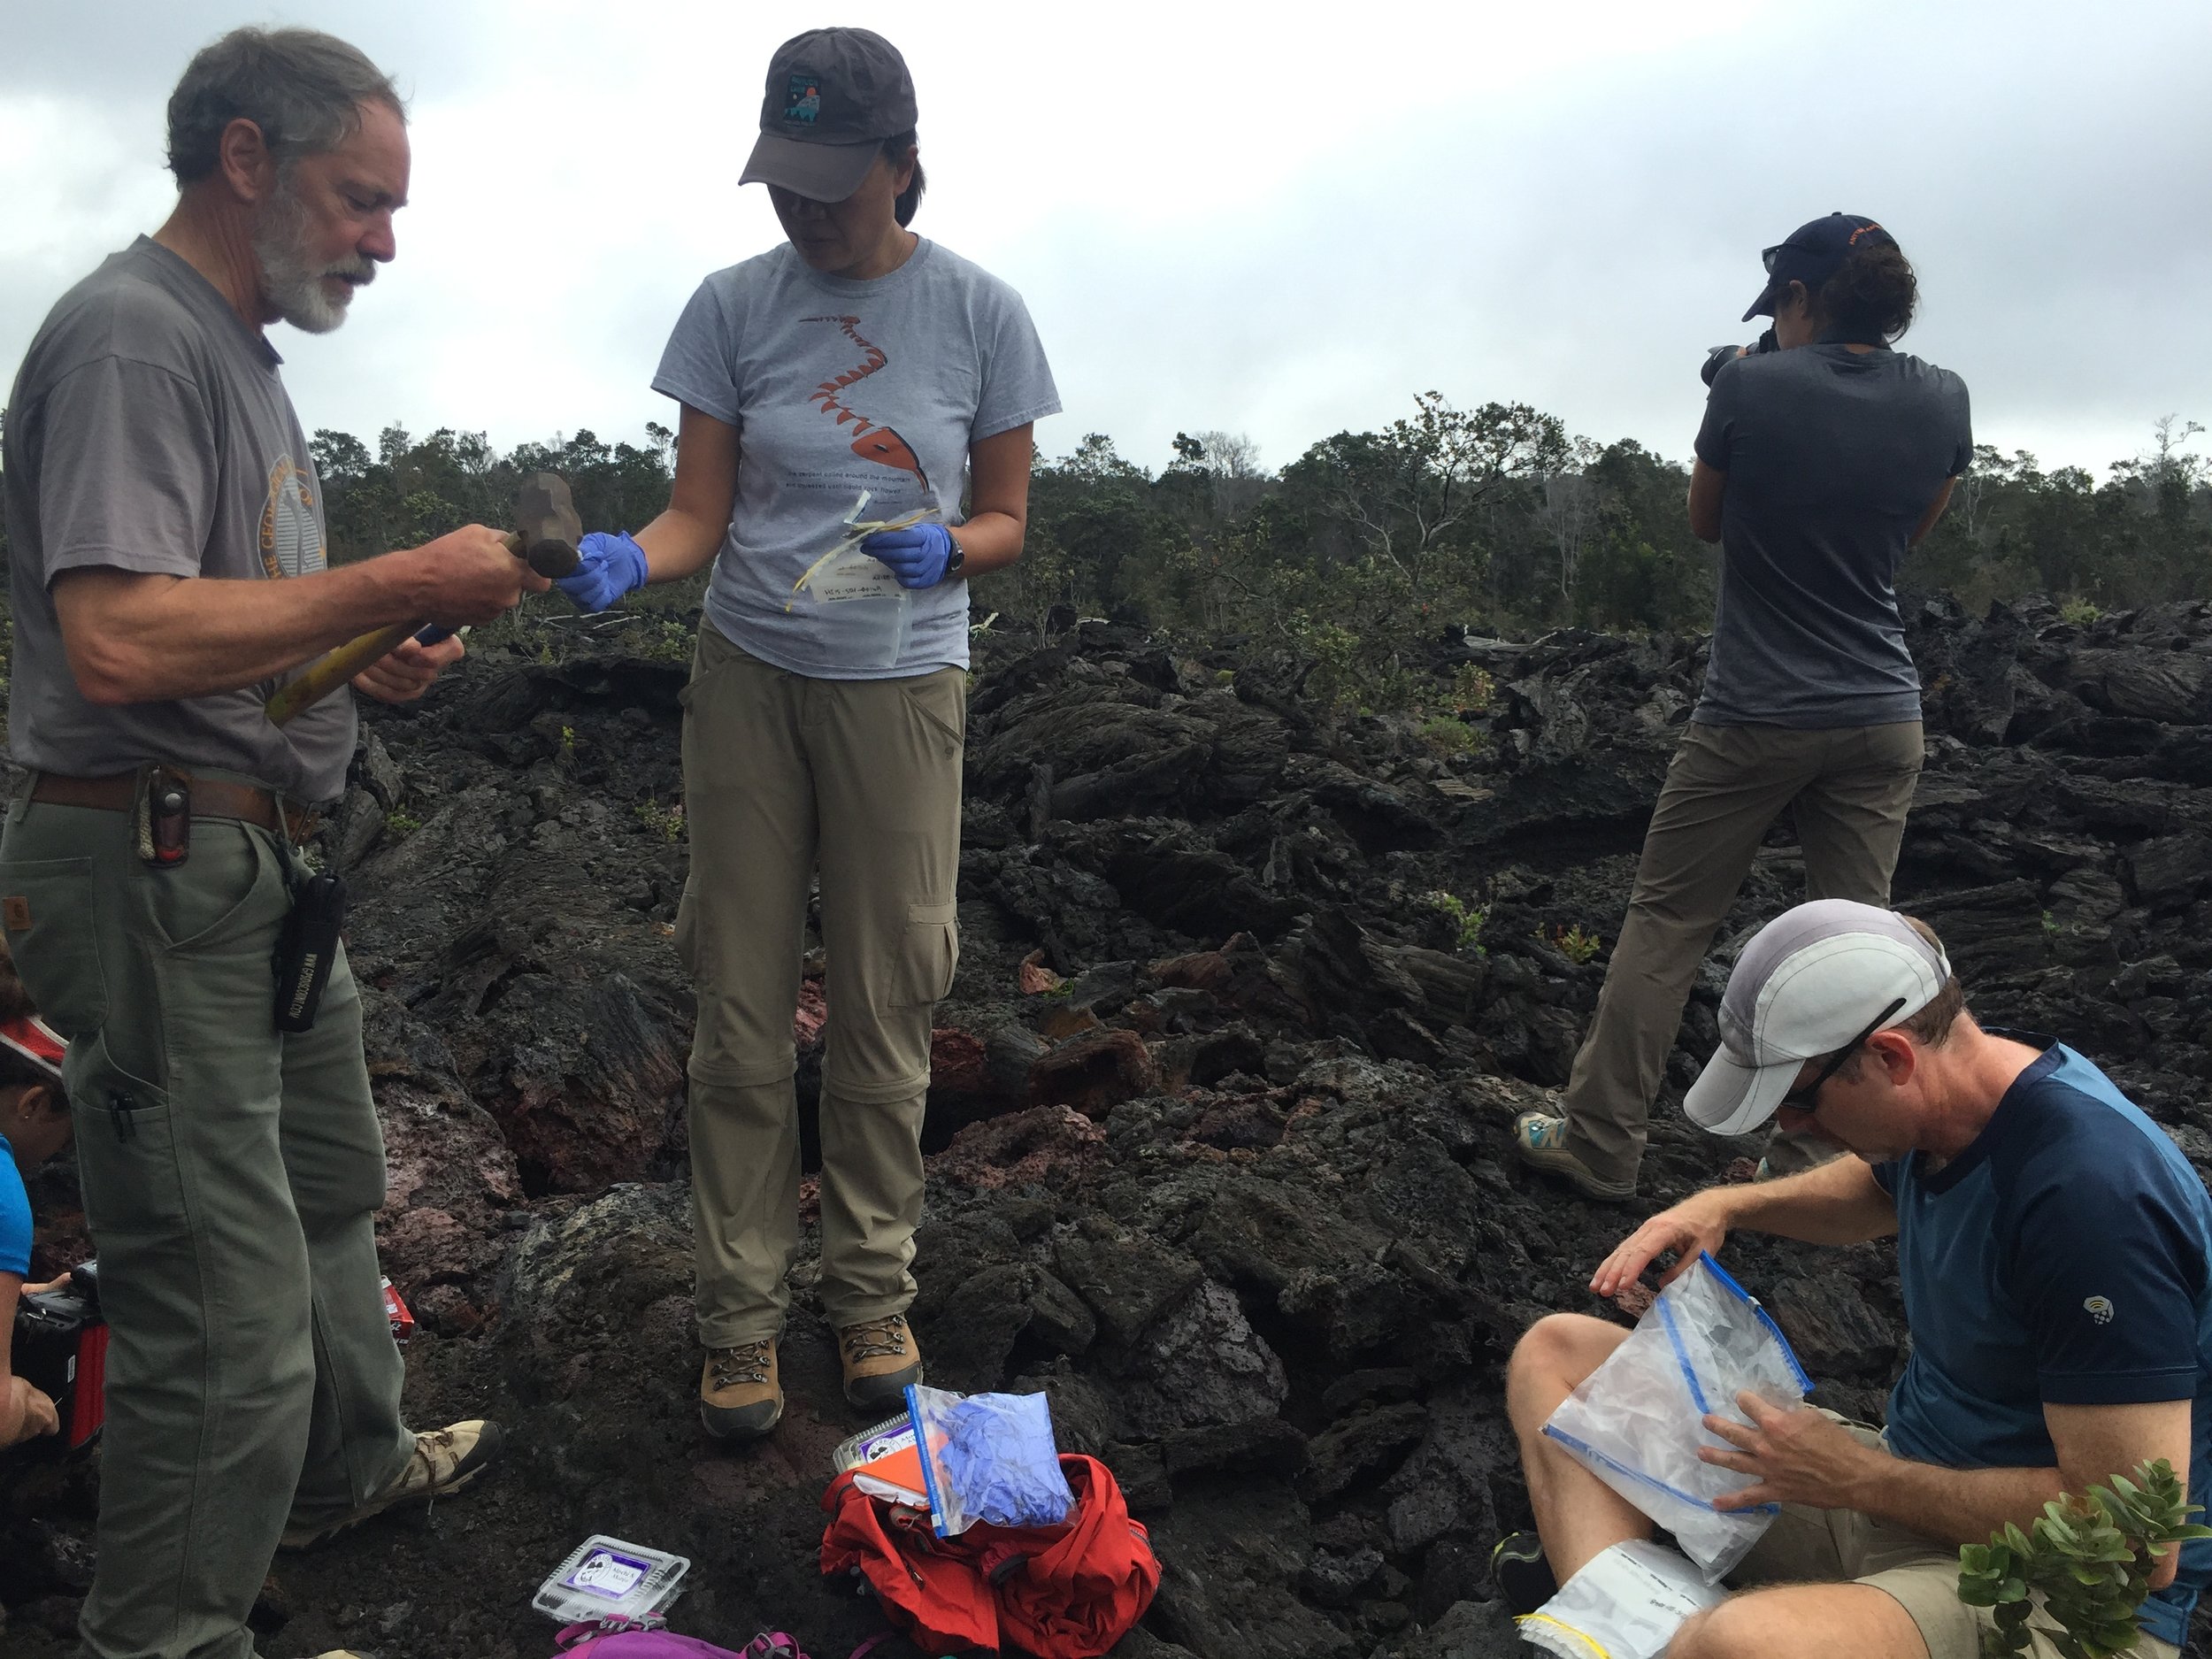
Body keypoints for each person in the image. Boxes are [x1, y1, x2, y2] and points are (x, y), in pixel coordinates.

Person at [0, 27, 542, 1659]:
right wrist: (391, 580)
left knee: (326, 1188)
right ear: (246, 161)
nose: (385, 238)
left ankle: (341, 1471)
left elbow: (216, 628)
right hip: (156, 869)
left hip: (255, 868)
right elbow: (113, 642)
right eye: (359, 198)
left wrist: (360, 655)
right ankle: (166, 1634)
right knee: (211, 1284)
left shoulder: (240, 357)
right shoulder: (127, 342)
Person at [553, 26, 1060, 1440]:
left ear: (906, 165)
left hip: (904, 684)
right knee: (739, 998)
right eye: (786, 181)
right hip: (752, 676)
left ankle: (870, 1292)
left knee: (893, 994)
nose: (807, 208)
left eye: (835, 184)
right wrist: (630, 562)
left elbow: (1012, 520)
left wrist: (948, 546)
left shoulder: (982, 312)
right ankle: (736, 1314)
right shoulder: (731, 305)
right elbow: (697, 515)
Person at [1499, 900, 2212, 1659]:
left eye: (1799, 1099)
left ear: (1891, 1056)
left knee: (1744, 1645)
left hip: (2052, 1597)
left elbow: (2133, 1542)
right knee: (1559, 1358)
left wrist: (1860, 1477)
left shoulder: (2090, 1200)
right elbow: (1879, 1190)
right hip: (1899, 1492)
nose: (1793, 1127)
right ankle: (1605, 1634)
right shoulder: (1954, 1107)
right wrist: (1724, 1206)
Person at [1513, 213, 1972, 1200]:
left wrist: (1746, 374)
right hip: (1882, 713)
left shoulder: (1748, 387)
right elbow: (1909, 528)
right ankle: (1822, 1162)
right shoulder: (1942, 397)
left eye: (1782, 308)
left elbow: (1705, 521)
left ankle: (1598, 1144)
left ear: (1800, 300)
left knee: (1668, 922)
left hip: (1753, 712)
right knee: (1863, 948)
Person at [0, 983, 74, 1451]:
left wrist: (15, 1295)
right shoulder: (4, 1194)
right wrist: (23, 1405)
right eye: (69, 1137)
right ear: (35, 1103)